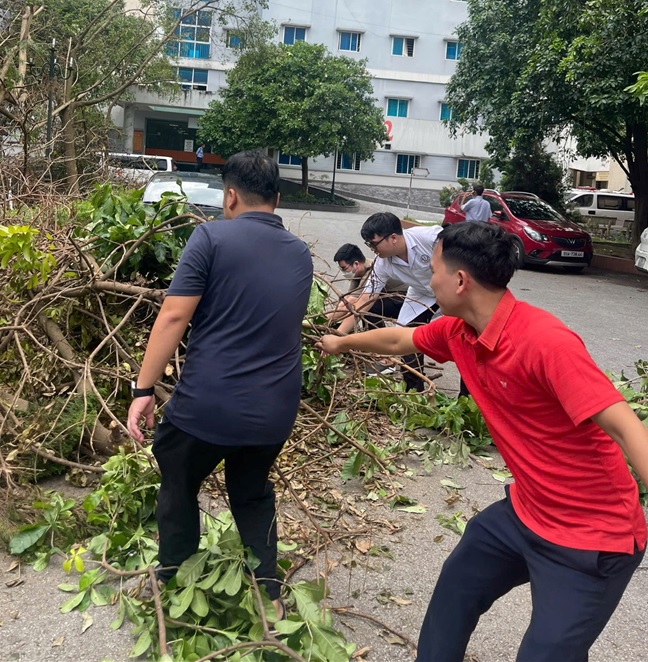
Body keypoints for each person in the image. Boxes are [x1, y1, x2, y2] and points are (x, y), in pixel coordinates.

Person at [317, 222, 648, 662]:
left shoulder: (544, 342)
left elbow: (627, 428)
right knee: (455, 591)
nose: (427, 280)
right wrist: (340, 342)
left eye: (433, 271)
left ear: (459, 280)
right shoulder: (459, 331)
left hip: (592, 537)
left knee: (547, 655)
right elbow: (400, 338)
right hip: (526, 513)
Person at [126, 150, 313, 617]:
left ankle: (172, 574)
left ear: (229, 195)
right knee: (251, 490)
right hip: (275, 408)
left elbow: (173, 314)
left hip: (210, 403)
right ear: (275, 197)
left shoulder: (210, 236)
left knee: (177, 474)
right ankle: (269, 593)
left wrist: (143, 390)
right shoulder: (300, 252)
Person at [335, 213, 442, 392]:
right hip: (421, 295)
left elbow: (460, 243)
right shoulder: (382, 264)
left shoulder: (428, 238)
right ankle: (414, 392)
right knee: (406, 338)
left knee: (464, 339)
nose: (371, 249)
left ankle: (469, 396)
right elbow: (365, 300)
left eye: (373, 243)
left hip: (452, 291)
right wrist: (338, 337)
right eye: (368, 244)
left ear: (393, 237)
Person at [328, 243, 406, 329]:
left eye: (344, 268)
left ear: (356, 264)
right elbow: (347, 298)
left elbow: (353, 301)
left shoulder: (372, 270)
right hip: (390, 297)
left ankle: (376, 337)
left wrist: (324, 320)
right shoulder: (359, 272)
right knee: (362, 303)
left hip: (404, 300)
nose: (343, 272)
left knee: (366, 305)